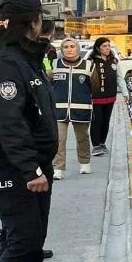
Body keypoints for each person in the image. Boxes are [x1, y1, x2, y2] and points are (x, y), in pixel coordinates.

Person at [0, 0, 61, 262]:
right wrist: (29, 170)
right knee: (23, 243)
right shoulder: (7, 61)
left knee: (29, 244)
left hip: (36, 167)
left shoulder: (29, 58)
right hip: (15, 170)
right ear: (32, 22)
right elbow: (9, 124)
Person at [50, 38, 93, 179]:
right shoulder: (55, 64)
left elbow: (96, 87)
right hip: (59, 109)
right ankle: (58, 168)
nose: (69, 49)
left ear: (77, 48)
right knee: (59, 139)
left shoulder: (88, 65)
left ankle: (85, 162)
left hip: (81, 109)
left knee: (82, 138)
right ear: (61, 50)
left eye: (72, 46)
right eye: (66, 47)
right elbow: (48, 84)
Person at [88, 37, 119, 156]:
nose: (107, 48)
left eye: (108, 46)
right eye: (104, 46)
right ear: (98, 48)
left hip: (110, 96)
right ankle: (95, 145)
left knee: (106, 121)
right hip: (96, 97)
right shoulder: (91, 61)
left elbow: (119, 77)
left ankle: (102, 143)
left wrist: (126, 94)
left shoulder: (114, 61)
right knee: (97, 120)